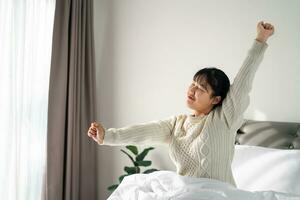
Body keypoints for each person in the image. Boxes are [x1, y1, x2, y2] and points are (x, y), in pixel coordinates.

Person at [87, 21, 274, 187]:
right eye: (193, 83)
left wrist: (260, 39)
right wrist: (107, 136)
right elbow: (143, 132)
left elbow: (243, 81)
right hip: (186, 193)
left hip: (218, 194)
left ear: (216, 99)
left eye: (201, 88)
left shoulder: (225, 118)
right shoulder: (176, 124)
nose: (192, 90)